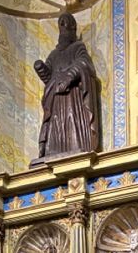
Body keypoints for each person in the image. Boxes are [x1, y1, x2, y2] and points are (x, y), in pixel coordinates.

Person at [34, 12, 100, 160]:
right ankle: (52, 151)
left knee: (73, 125)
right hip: (56, 99)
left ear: (73, 28)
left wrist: (70, 76)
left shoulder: (78, 47)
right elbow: (48, 76)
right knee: (55, 126)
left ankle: (77, 146)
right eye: (61, 24)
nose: (63, 27)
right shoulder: (53, 54)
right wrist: (41, 68)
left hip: (73, 97)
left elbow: (84, 63)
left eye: (66, 24)